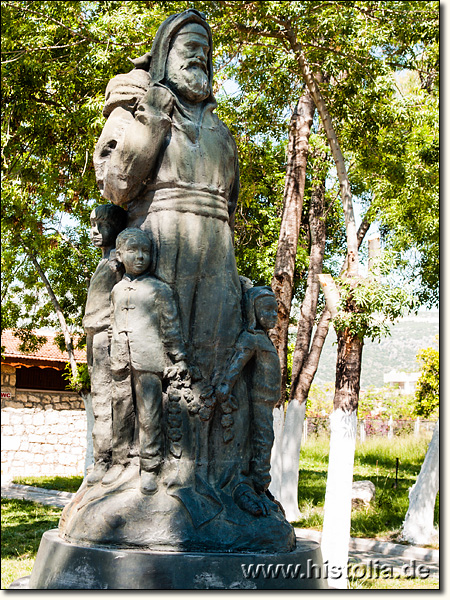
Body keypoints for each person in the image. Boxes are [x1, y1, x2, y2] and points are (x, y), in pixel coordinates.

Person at [93, 9, 242, 390]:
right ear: (164, 56)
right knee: (158, 365)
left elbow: (230, 203)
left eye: (205, 51)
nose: (199, 57)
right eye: (189, 47)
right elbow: (116, 186)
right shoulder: (135, 113)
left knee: (215, 359)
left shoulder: (220, 131)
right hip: (160, 245)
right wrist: (153, 118)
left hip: (216, 255)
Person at [102, 228, 188, 494]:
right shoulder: (116, 290)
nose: (140, 257)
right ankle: (119, 461)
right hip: (120, 358)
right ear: (119, 255)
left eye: (145, 252)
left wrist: (179, 357)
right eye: (133, 251)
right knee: (121, 411)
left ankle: (150, 467)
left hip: (148, 359)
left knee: (149, 414)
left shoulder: (159, 289)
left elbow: (171, 327)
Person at [215, 286, 281, 514]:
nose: (273, 315)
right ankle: (258, 486)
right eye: (267, 310)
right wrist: (225, 386)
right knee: (263, 441)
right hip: (259, 401)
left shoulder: (263, 339)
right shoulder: (251, 338)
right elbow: (236, 364)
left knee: (265, 441)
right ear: (253, 311)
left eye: (275, 311)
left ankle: (261, 486)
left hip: (268, 401)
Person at [82, 204, 127, 485]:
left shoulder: (116, 262)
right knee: (99, 397)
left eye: (102, 224)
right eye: (92, 224)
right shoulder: (104, 261)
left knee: (105, 400)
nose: (95, 231)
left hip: (106, 333)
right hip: (94, 331)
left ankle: (105, 460)